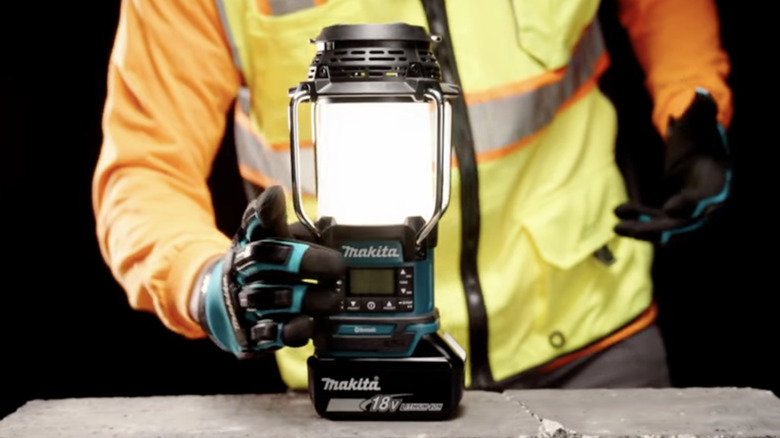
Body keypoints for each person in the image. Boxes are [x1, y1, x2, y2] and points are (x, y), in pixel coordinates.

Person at [92, 0, 732, 391]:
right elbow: (144, 169)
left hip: (596, 337)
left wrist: (691, 94)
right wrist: (208, 283)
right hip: (351, 356)